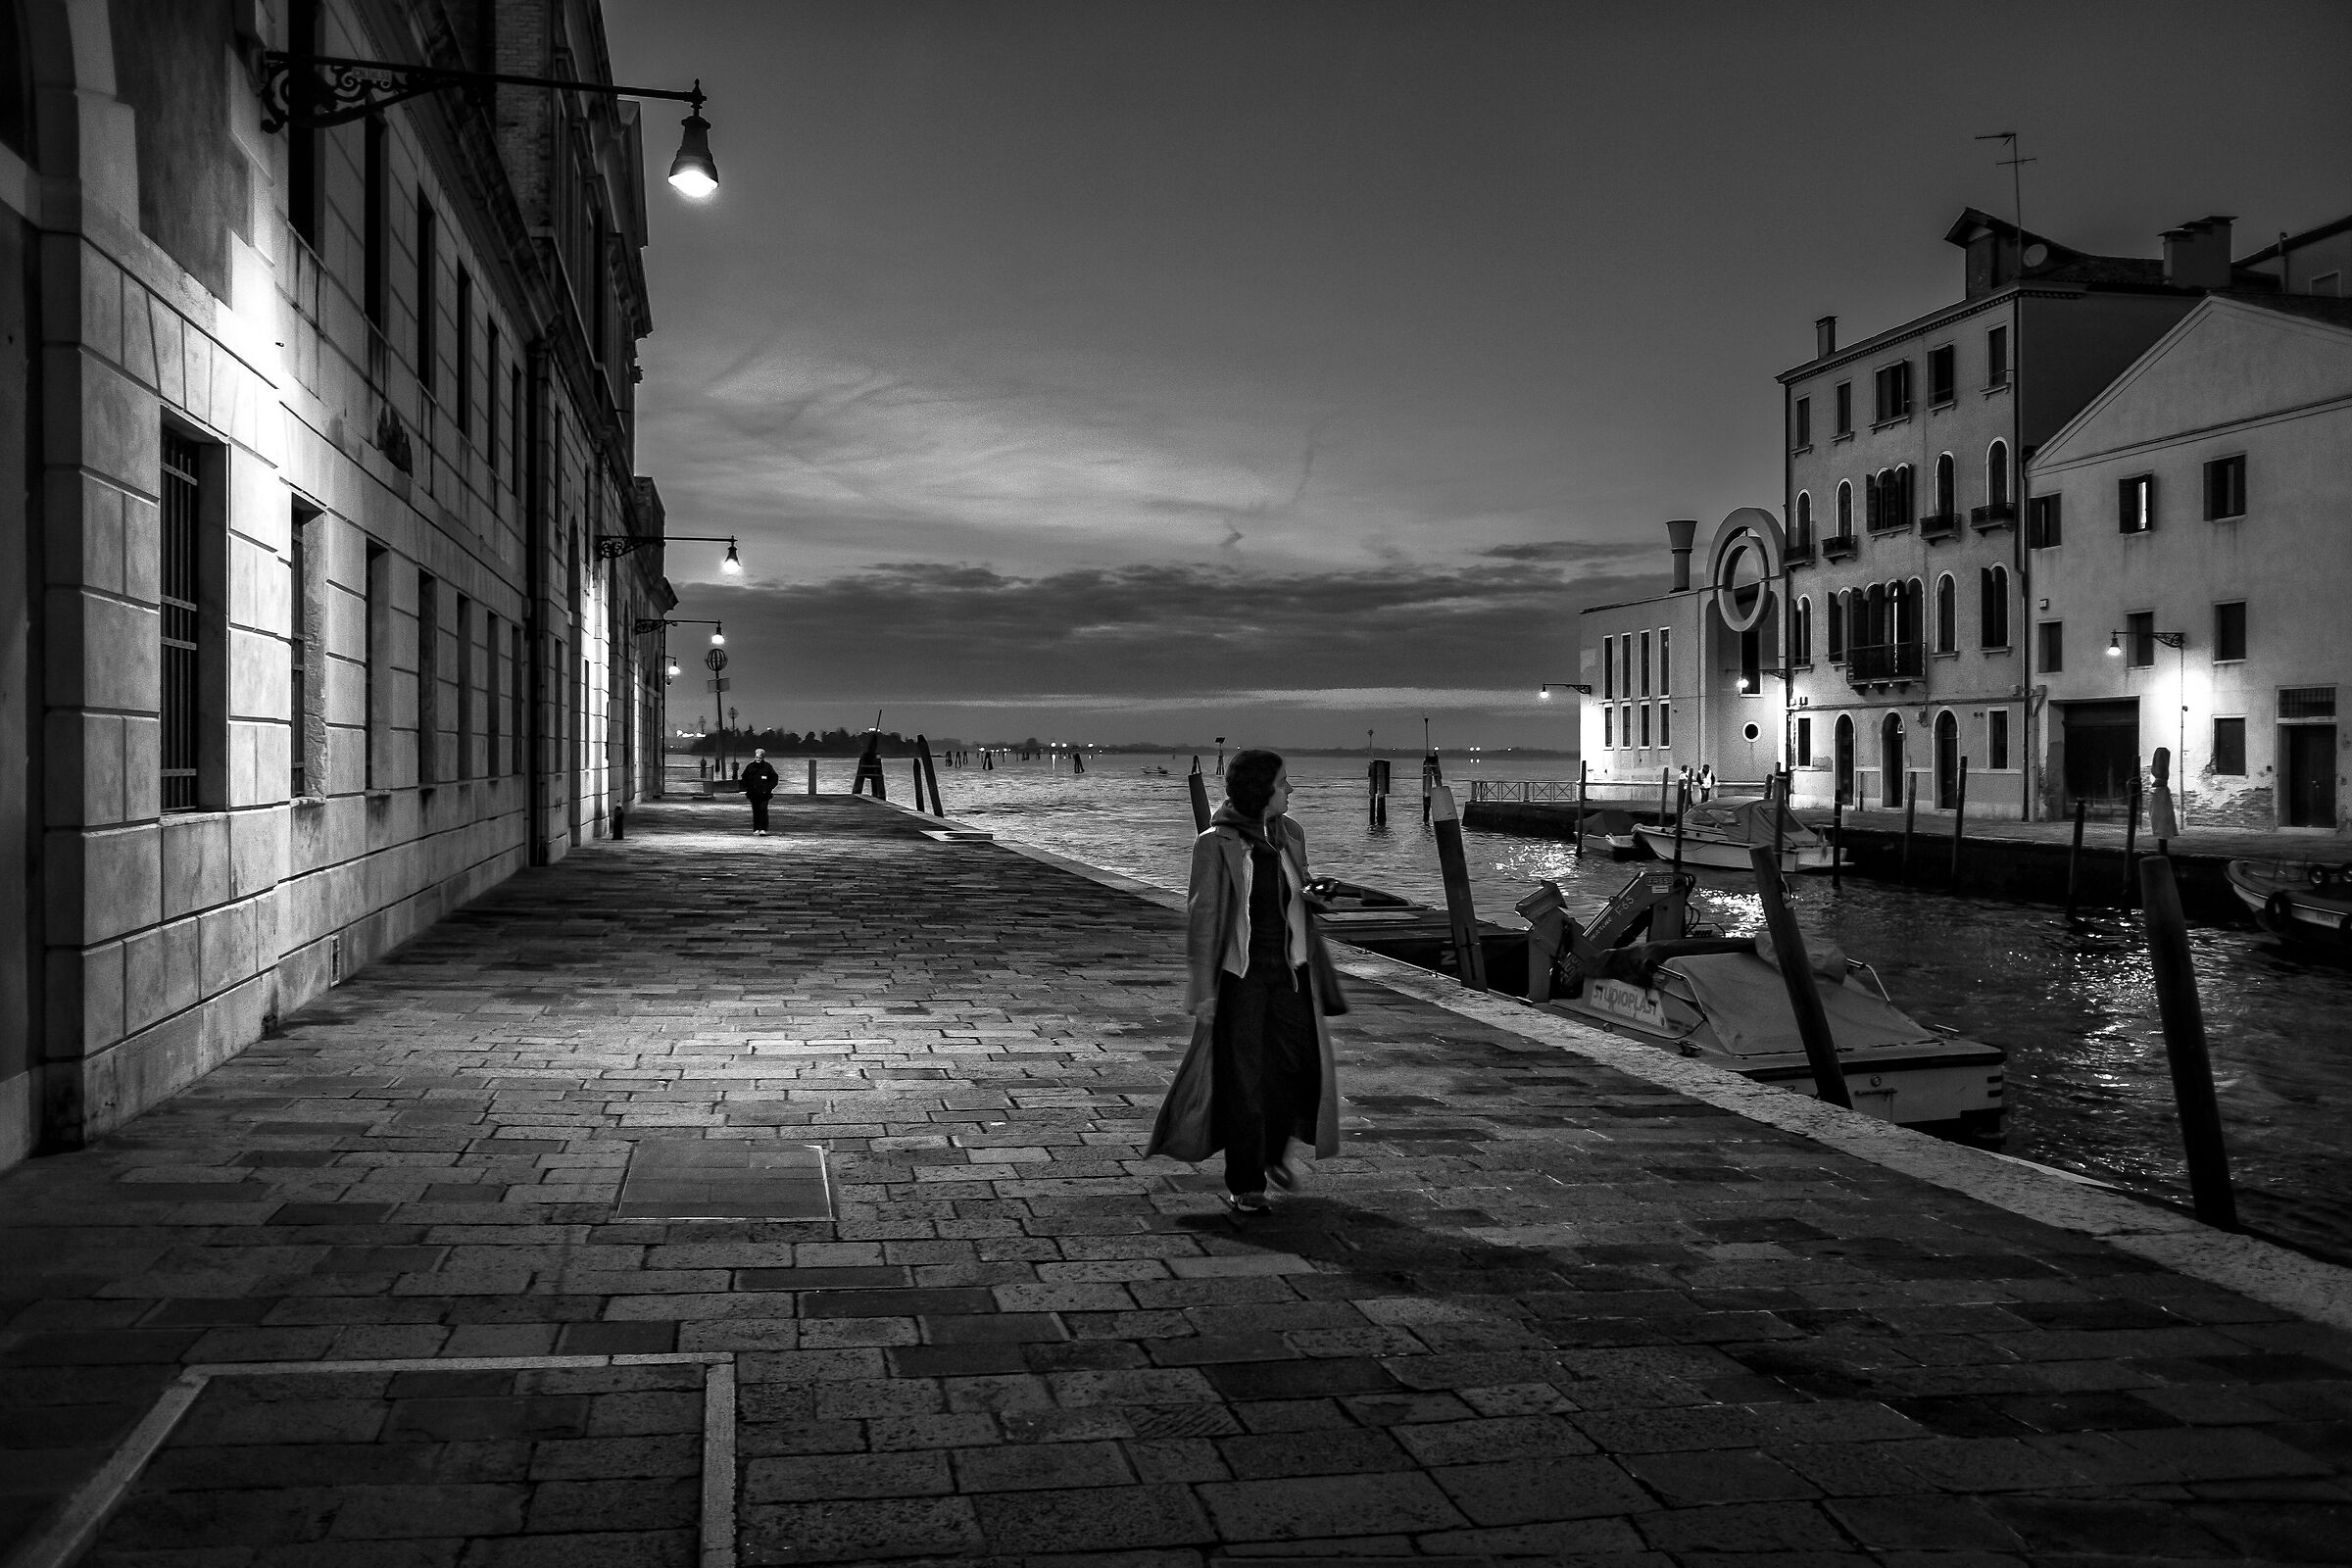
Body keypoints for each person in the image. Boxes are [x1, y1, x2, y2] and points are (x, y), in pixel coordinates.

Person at [1147, 749, 1345, 1213]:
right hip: (1243, 979)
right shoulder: (1215, 843)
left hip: (1294, 974)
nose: (1291, 789)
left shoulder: (1291, 834)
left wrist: (1316, 892)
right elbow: (1204, 919)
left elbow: (1298, 886)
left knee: (1296, 1069)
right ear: (1262, 790)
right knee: (1244, 1080)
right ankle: (1246, 1181)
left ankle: (1273, 1151)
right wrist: (1202, 992)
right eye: (1283, 782)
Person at [740, 749, 779, 835]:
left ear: (763, 758)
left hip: (765, 794)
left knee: (763, 809)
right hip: (753, 794)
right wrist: (747, 787)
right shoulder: (750, 766)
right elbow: (744, 777)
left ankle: (763, 829)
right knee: (756, 810)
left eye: (760, 758)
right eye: (757, 757)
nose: (758, 759)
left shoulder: (768, 767)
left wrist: (769, 788)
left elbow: (774, 778)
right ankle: (756, 828)